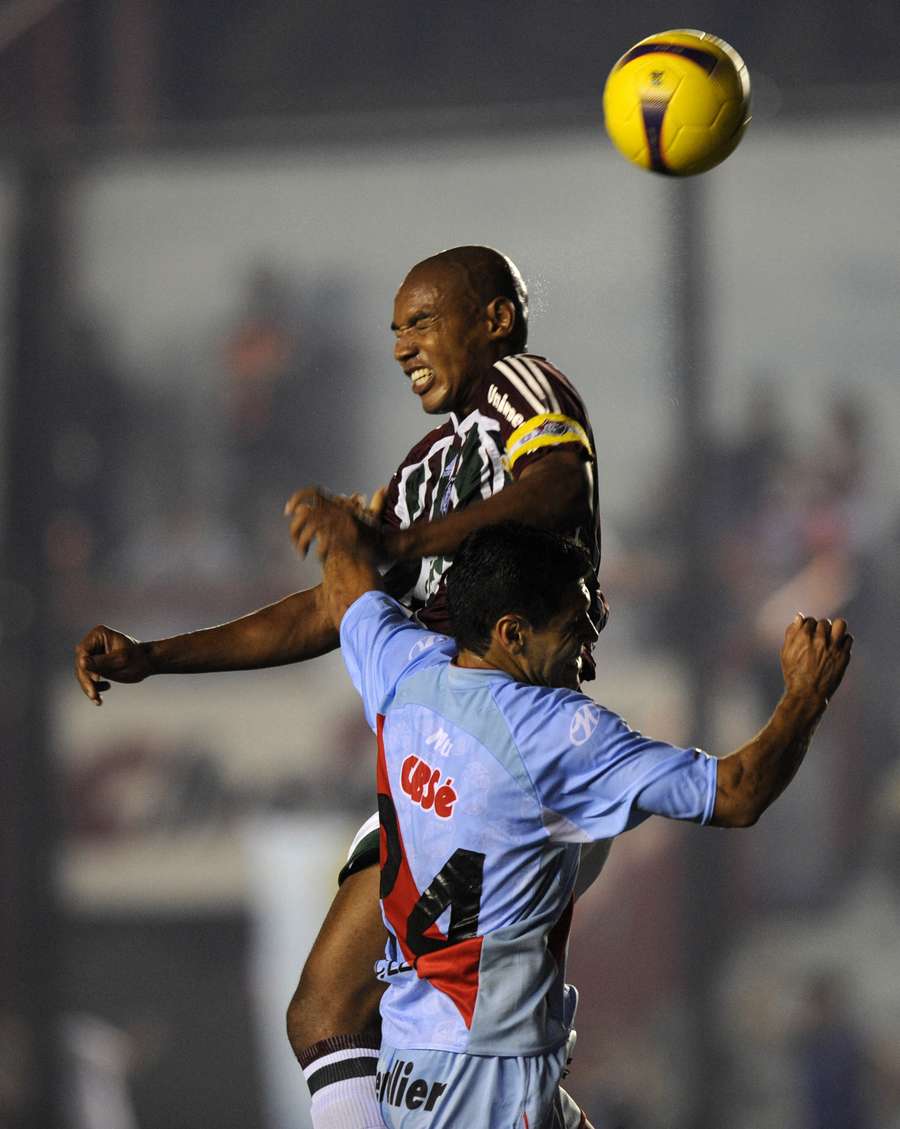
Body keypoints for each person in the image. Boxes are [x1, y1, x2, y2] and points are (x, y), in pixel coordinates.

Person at [74, 246, 606, 1129]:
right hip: (445, 767)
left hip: (514, 759)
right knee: (390, 1032)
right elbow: (332, 609)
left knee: (340, 1012)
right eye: (395, 328)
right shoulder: (430, 462)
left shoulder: (523, 388)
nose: (403, 344)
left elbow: (557, 482)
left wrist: (402, 543)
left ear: (496, 319)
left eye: (424, 319)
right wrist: (156, 655)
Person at [294, 507, 852, 1129]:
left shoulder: (407, 669)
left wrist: (338, 533)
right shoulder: (557, 734)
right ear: (512, 633)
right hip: (488, 1083)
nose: (589, 645)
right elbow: (740, 793)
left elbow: (352, 596)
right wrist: (805, 697)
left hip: (412, 1060)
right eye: (575, 625)